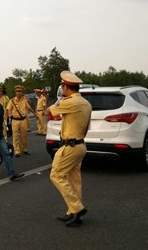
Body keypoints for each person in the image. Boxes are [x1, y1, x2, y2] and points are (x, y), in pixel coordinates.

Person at [48, 71, 92, 227]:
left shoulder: (68, 102)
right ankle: (72, 212)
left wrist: (58, 101)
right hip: (80, 144)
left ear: (66, 87)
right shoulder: (86, 103)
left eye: (63, 86)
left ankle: (77, 208)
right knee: (74, 181)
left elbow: (49, 112)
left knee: (56, 175)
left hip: (70, 146)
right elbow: (86, 127)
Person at [6, 85, 37, 157]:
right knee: (15, 136)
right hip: (15, 120)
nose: (19, 93)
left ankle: (25, 149)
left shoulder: (24, 100)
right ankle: (16, 151)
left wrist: (34, 114)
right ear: (15, 92)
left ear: (22, 92)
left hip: (23, 120)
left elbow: (28, 108)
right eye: (17, 91)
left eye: (20, 91)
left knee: (24, 136)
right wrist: (9, 117)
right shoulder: (12, 101)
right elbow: (8, 109)